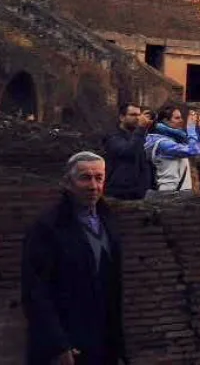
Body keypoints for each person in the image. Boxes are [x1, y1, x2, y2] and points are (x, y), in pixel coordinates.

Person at [21, 152, 125, 365]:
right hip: (67, 336)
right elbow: (36, 291)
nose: (93, 186)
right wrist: (58, 344)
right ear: (68, 182)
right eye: (85, 178)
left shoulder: (109, 220)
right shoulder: (48, 226)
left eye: (99, 178)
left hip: (102, 336)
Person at [145, 104, 200, 191]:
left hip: (179, 190)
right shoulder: (162, 143)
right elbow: (193, 150)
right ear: (165, 121)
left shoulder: (174, 139)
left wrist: (199, 129)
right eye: (177, 118)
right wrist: (191, 128)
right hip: (169, 192)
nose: (181, 120)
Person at [103, 102, 155, 199]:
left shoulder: (140, 136)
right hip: (120, 194)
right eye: (133, 115)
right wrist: (141, 128)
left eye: (139, 115)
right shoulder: (113, 137)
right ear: (122, 117)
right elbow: (129, 152)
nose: (138, 118)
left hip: (141, 193)